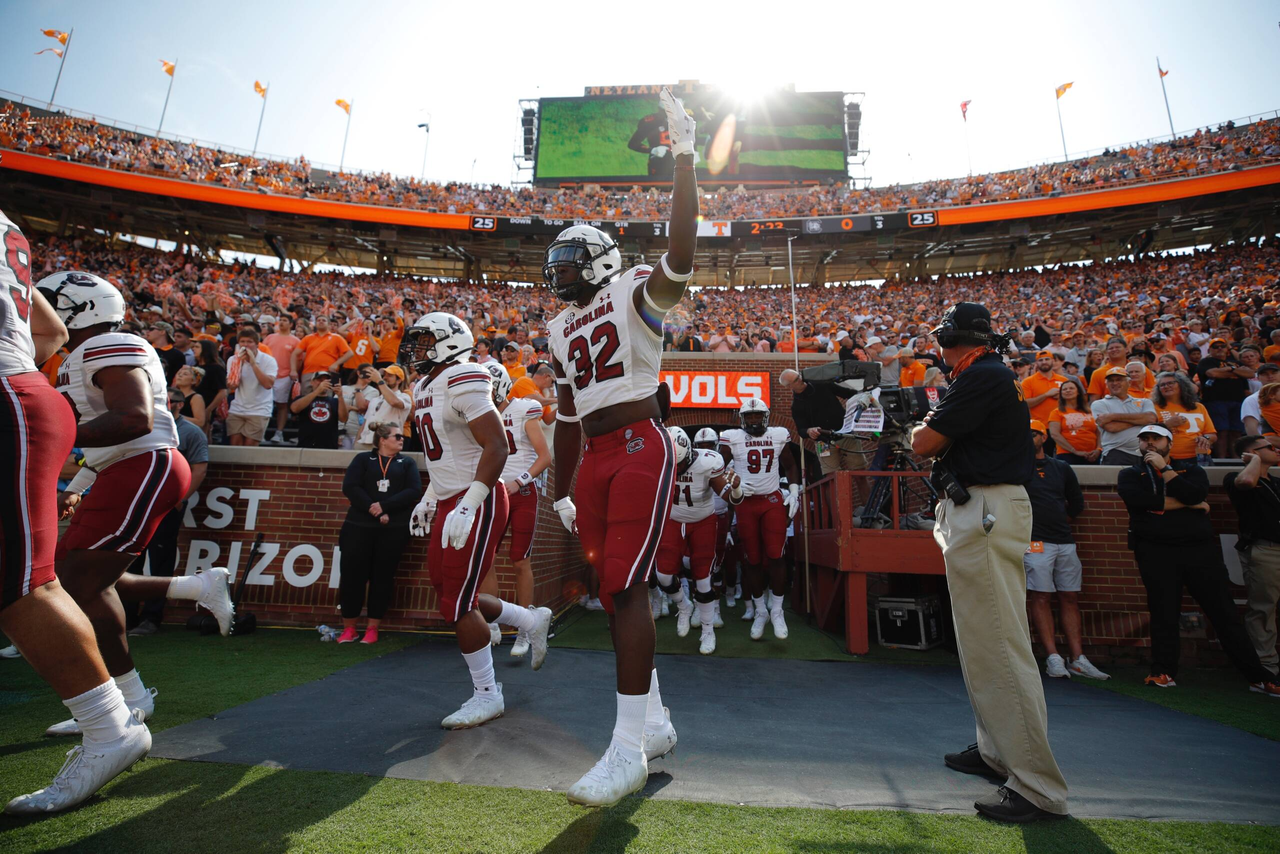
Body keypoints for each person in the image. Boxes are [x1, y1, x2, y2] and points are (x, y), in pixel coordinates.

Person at [546, 86, 696, 808]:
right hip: (598, 459)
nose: (562, 267)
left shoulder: (634, 287)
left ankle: (627, 748)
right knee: (613, 595)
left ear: (601, 260)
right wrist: (559, 488)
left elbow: (681, 256)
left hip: (639, 443)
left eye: (573, 256)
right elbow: (569, 416)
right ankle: (657, 722)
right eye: (559, 257)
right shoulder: (556, 328)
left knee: (624, 589)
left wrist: (687, 163)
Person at [36, 270, 233, 743]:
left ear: (78, 309)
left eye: (45, 304)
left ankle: (113, 702)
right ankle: (193, 591)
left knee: (75, 581)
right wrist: (81, 480)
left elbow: (134, 419)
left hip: (144, 465)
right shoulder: (84, 353)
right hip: (125, 466)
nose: (34, 314)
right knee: (87, 576)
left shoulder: (106, 345)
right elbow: (113, 433)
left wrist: (43, 434)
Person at [0, 218, 153, 815]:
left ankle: (111, 721)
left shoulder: (113, 347)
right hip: (23, 394)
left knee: (30, 583)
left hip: (20, 404)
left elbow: (135, 418)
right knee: (52, 575)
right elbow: (50, 326)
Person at [910, 301, 1068, 822]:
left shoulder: (982, 375)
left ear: (955, 338)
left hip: (987, 509)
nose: (938, 347)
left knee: (999, 644)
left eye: (942, 338)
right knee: (983, 640)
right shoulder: (985, 373)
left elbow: (925, 442)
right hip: (980, 508)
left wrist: (922, 422)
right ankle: (997, 751)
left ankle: (1037, 787)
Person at [403, 312, 553, 730]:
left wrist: (469, 504)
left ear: (449, 341)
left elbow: (498, 446)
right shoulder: (424, 385)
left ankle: (488, 694)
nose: (416, 348)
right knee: (449, 591)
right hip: (451, 497)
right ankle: (528, 619)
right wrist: (429, 497)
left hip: (479, 497)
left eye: (424, 340)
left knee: (457, 602)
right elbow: (446, 456)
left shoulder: (464, 376)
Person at [1116, 424, 1278, 696]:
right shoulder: (1130, 474)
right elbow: (1140, 502)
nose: (1150, 444)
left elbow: (1195, 494)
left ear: (1169, 442)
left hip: (1199, 551)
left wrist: (1166, 473)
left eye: (1156, 438)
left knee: (1223, 612)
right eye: (1144, 439)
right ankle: (1163, 671)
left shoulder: (1191, 470)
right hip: (1155, 551)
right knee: (1163, 612)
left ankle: (1258, 677)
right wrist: (1189, 504)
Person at [476, 362, 553, 656]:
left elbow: (545, 457)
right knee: (488, 557)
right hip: (492, 492)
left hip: (521, 491)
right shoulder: (479, 414)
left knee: (520, 560)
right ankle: (493, 622)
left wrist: (518, 482)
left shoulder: (524, 409)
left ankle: (526, 627)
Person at [1024, 421, 1109, 680]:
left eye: (1034, 433)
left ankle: (1077, 658)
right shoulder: (1014, 468)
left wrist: (1061, 522)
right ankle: (1053, 657)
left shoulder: (1061, 467)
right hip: (1033, 542)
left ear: (1044, 436)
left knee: (1070, 596)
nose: (1029, 437)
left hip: (1064, 540)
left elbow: (1076, 502)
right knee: (1040, 596)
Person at [126, 388, 210, 636]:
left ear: (179, 405)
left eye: (167, 402)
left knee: (160, 563)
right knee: (131, 560)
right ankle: (127, 617)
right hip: (138, 504)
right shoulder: (143, 427)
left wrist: (180, 499)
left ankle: (152, 618)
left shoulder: (191, 432)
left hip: (166, 506)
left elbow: (200, 469)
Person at [719, 398, 802, 639]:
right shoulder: (732, 437)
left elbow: (790, 465)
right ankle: (759, 611)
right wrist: (730, 481)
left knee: (776, 555)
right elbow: (717, 466)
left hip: (772, 500)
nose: (754, 420)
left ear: (766, 417)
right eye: (750, 416)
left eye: (758, 416)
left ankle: (777, 611)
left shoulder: (779, 434)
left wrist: (794, 492)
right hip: (745, 502)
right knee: (752, 560)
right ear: (742, 419)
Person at [336, 423, 421, 644]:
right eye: (397, 436)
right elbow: (351, 487)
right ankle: (349, 627)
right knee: (352, 576)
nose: (402, 440)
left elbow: (413, 490)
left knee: (382, 577)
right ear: (382, 439)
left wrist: (385, 507)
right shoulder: (363, 460)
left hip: (392, 530)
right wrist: (373, 509)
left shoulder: (406, 462)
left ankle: (373, 627)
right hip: (358, 526)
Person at [657, 427, 739, 655]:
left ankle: (707, 630)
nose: (678, 469)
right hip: (673, 520)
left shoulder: (707, 461)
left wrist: (736, 489)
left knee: (703, 579)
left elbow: (728, 495)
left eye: (680, 464)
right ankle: (684, 606)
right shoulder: (660, 459)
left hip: (703, 519)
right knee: (663, 574)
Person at [1225, 435, 1280, 680]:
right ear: (1250, 453)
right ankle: (1266, 670)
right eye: (1269, 447)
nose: (1276, 449)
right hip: (1265, 550)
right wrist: (1255, 460)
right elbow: (1246, 480)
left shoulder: (1276, 482)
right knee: (1263, 609)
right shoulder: (1236, 478)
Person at [779, 368, 868, 474]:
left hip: (846, 433)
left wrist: (866, 395)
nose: (801, 379)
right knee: (831, 478)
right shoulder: (796, 406)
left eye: (799, 375)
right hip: (823, 441)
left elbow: (847, 393)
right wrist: (809, 431)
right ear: (789, 387)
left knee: (860, 473)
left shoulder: (821, 384)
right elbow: (801, 430)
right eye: (796, 380)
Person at [1091, 366, 1158, 466]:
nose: (1115, 383)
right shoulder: (1099, 404)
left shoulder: (1144, 401)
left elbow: (1151, 419)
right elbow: (1112, 427)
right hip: (1116, 453)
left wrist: (1112, 416)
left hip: (1145, 453)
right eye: (1111, 381)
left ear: (1129, 383)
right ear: (1106, 384)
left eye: (1119, 380)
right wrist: (1141, 420)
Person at [1196, 338, 1251, 457]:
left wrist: (1229, 370)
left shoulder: (1237, 362)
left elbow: (1250, 373)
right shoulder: (1206, 361)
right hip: (1215, 400)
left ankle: (1236, 459)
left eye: (1222, 346)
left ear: (1227, 349)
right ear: (1210, 350)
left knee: (1236, 432)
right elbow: (1212, 373)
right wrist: (1235, 371)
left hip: (1238, 401)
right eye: (1216, 347)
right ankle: (1221, 459)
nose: (1220, 348)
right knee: (1221, 431)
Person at [225, 328, 278, 446]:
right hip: (237, 408)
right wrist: (238, 366)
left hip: (259, 410)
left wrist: (253, 363)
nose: (245, 345)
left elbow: (268, 384)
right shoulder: (233, 360)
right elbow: (232, 385)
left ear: (257, 344)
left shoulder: (268, 360)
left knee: (249, 449)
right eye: (242, 342)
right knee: (235, 446)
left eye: (249, 342)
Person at [1152, 371, 1216, 469]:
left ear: (1182, 385)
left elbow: (1212, 435)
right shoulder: (1154, 407)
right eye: (1162, 385)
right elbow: (1148, 434)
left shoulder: (1198, 407)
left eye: (1170, 383)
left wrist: (1205, 438)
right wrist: (1167, 425)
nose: (1166, 386)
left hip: (1199, 457)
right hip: (1168, 458)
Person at [354, 365, 411, 451]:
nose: (385, 377)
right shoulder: (375, 400)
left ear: (399, 380)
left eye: (390, 375)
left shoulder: (404, 397)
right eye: (384, 375)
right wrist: (356, 442)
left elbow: (394, 402)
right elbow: (365, 422)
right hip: (364, 442)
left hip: (387, 444)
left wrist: (379, 381)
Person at [263, 316, 301, 444]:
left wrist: (293, 371)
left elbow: (298, 359)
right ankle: (261, 431)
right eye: (281, 320)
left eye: (285, 321)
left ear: (291, 324)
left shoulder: (295, 341)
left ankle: (278, 433)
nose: (282, 323)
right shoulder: (270, 337)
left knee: (282, 405)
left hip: (284, 376)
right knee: (264, 404)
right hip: (267, 374)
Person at [291, 314, 353, 393]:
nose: (321, 322)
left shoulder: (337, 338)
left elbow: (350, 353)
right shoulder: (308, 338)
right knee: (306, 399)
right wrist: (293, 370)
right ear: (315, 323)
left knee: (326, 400)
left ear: (329, 324)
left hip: (327, 373)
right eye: (318, 320)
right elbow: (295, 354)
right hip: (308, 372)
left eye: (324, 320)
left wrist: (336, 364)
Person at [1047, 377, 1100, 464]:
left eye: (1071, 388)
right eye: (1064, 389)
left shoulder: (1090, 411)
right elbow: (1055, 434)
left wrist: (1098, 449)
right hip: (1067, 454)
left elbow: (1099, 432)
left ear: (1078, 392)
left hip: (1092, 455)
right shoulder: (1056, 412)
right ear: (1061, 394)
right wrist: (1075, 451)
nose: (1068, 390)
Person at [290, 372, 345, 450]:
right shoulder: (302, 398)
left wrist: (340, 396)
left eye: (326, 381)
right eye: (320, 380)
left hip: (329, 446)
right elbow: (294, 409)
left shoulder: (336, 401)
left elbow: (343, 419)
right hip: (306, 445)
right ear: (312, 382)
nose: (322, 383)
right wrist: (317, 391)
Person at [171, 365, 207, 430]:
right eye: (179, 373)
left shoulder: (196, 398)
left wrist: (177, 416)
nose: (180, 375)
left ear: (193, 381)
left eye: (185, 374)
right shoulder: (171, 394)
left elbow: (200, 422)